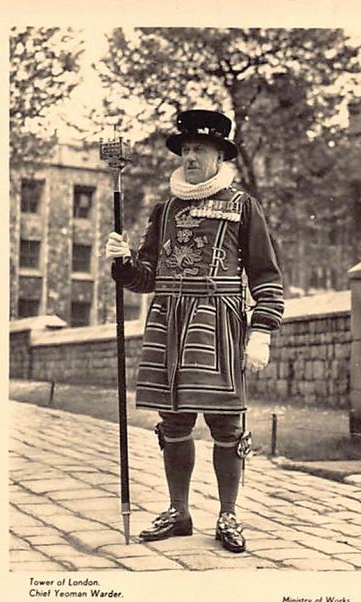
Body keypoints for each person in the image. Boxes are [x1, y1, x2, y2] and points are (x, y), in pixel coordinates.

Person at [106, 109, 284, 553]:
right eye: (185, 150)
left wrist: (261, 330)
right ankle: (179, 511)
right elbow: (147, 277)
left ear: (219, 156)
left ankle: (227, 514)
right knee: (175, 420)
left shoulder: (243, 206)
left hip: (219, 322)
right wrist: (123, 262)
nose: (189, 157)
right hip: (168, 321)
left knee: (226, 424)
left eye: (198, 150)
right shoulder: (163, 210)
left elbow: (266, 275)